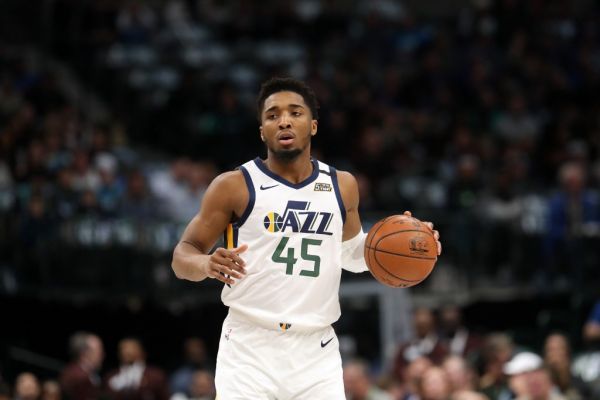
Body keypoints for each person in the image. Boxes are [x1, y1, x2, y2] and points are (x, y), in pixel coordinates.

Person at [171, 77, 442, 399]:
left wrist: (410, 244)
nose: (284, 120)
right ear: (262, 131)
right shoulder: (233, 185)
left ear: (313, 126)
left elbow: (350, 255)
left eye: (295, 112)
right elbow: (181, 257)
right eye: (272, 115)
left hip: (316, 348)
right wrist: (205, 263)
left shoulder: (342, 185)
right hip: (249, 345)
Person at [104, 338, 169, 400]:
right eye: (123, 348)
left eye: (132, 348)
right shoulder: (111, 377)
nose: (126, 351)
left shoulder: (155, 376)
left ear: (142, 351)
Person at [60, 332, 104, 400]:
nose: (102, 355)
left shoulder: (88, 375)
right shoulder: (76, 377)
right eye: (98, 351)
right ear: (84, 353)